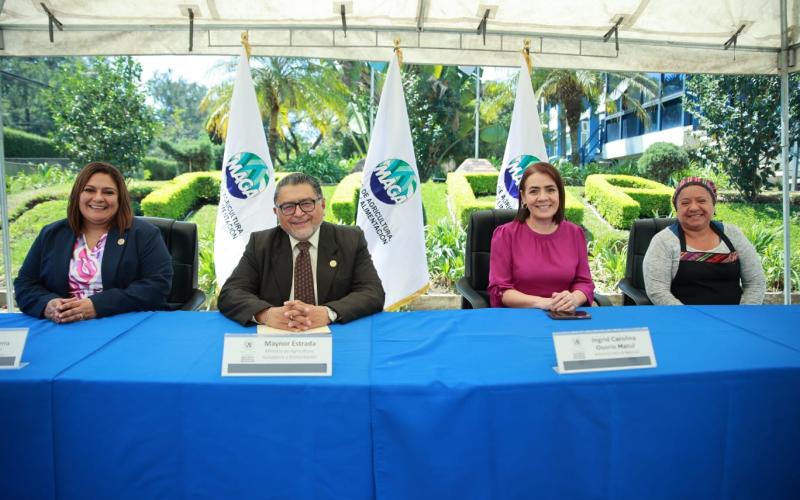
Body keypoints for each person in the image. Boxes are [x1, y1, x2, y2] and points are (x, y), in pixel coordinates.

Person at [218, 172, 385, 329]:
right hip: (278, 340)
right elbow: (231, 293)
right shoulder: (261, 243)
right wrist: (266, 315)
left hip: (335, 335)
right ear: (276, 212)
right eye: (288, 207)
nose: (298, 213)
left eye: (306, 204)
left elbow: (372, 292)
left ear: (323, 205)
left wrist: (328, 313)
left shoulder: (350, 239)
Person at [14, 162, 173, 322]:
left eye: (108, 192)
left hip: (125, 324)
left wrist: (97, 306)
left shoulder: (145, 234)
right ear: (78, 195)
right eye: (89, 190)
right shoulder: (51, 234)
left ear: (120, 199)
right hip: (64, 327)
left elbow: (157, 286)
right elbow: (25, 284)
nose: (98, 198)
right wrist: (47, 305)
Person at [488, 161, 594, 311]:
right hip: (520, 318)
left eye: (550, 190)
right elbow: (500, 290)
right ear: (523, 197)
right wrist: (542, 303)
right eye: (534, 191)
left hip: (565, 316)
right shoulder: (505, 235)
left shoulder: (575, 233)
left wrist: (573, 299)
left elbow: (584, 283)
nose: (543, 197)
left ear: (559, 194)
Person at [643, 176, 765, 305]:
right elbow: (657, 291)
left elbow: (755, 282)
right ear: (677, 209)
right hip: (683, 319)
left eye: (701, 201)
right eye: (685, 203)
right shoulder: (663, 241)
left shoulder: (733, 234)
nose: (694, 207)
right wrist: (690, 319)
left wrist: (744, 314)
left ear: (713, 205)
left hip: (734, 318)